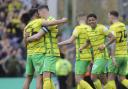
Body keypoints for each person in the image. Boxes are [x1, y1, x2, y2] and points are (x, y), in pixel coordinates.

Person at [23, 7, 67, 89]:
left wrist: (27, 39)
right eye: (38, 13)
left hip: (31, 54)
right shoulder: (40, 22)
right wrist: (62, 20)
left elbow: (25, 44)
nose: (39, 14)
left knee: (29, 78)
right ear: (36, 14)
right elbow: (38, 36)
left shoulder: (26, 27)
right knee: (42, 78)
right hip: (40, 53)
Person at [79, 13, 115, 89]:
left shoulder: (102, 28)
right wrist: (82, 47)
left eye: (93, 20)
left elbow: (113, 37)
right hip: (96, 57)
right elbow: (88, 42)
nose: (91, 21)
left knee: (93, 77)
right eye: (90, 20)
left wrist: (105, 45)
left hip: (102, 56)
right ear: (87, 22)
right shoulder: (88, 30)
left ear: (96, 20)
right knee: (103, 79)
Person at [58, 13, 93, 89]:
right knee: (83, 78)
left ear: (78, 19)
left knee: (78, 79)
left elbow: (70, 41)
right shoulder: (90, 28)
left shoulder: (78, 28)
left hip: (81, 57)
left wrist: (59, 43)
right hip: (89, 57)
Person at [103, 10, 128, 89]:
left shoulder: (113, 27)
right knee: (122, 78)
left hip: (116, 56)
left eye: (108, 17)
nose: (108, 19)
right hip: (124, 56)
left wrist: (112, 57)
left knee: (110, 80)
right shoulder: (123, 26)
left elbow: (113, 41)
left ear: (112, 16)